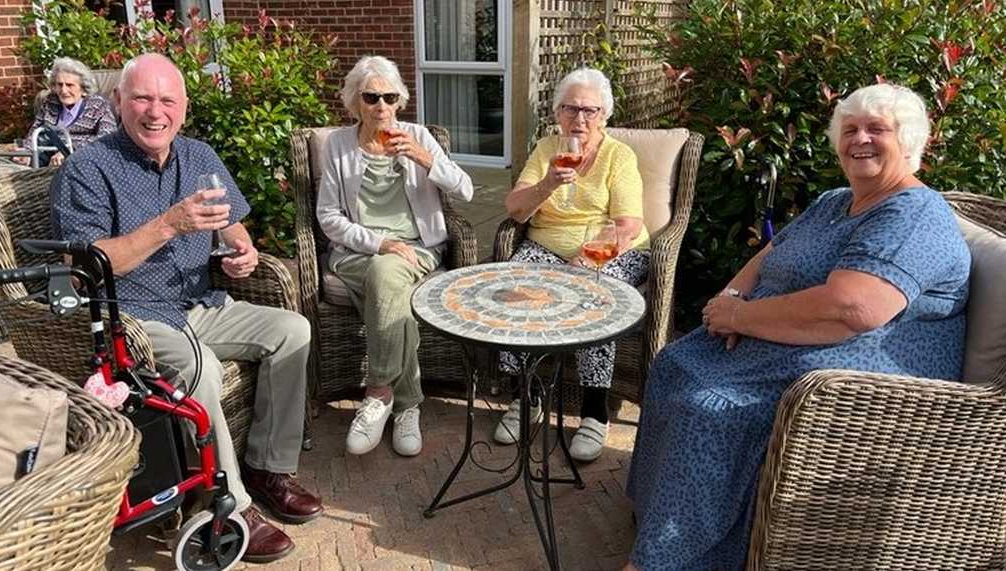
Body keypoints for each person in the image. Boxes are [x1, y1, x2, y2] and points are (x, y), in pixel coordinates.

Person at [624, 84, 971, 570]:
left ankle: (677, 557)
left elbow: (851, 308)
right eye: (850, 130)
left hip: (853, 373)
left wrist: (741, 317)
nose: (860, 140)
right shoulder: (835, 200)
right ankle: (658, 519)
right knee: (675, 362)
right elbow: (770, 254)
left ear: (910, 142)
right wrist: (730, 298)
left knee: (709, 408)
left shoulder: (913, 214)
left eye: (877, 129)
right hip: (783, 341)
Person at [50, 53, 321, 565]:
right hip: (129, 314)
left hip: (197, 301)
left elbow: (230, 219)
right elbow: (86, 262)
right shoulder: (87, 168)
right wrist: (169, 225)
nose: (156, 112)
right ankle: (229, 505)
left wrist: (244, 250)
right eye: (142, 99)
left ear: (184, 107)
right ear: (117, 103)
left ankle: (268, 466)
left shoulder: (198, 155)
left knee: (293, 330)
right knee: (203, 371)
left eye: (167, 100)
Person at [317, 55, 473, 458]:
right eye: (371, 97)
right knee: (387, 277)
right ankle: (405, 403)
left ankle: (379, 391)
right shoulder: (337, 144)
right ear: (355, 102)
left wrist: (427, 160)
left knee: (387, 278)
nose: (381, 107)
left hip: (418, 249)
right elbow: (328, 217)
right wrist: (378, 243)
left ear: (399, 101)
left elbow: (466, 191)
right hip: (357, 251)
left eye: (389, 97)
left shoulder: (419, 135)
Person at [496, 67, 650, 462]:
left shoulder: (618, 155)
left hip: (609, 250)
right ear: (557, 112)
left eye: (590, 110)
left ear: (605, 115)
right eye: (570, 109)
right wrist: (547, 183)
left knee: (593, 299)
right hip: (547, 247)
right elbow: (514, 210)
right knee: (513, 290)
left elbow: (628, 226)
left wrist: (587, 256)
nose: (579, 119)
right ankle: (524, 398)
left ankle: (595, 412)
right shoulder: (547, 149)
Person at [27, 57, 116, 166]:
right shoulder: (50, 102)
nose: (64, 91)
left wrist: (70, 151)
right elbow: (35, 130)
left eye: (69, 85)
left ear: (83, 89)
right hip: (45, 158)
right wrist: (27, 152)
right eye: (59, 85)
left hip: (82, 160)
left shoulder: (98, 106)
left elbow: (107, 137)